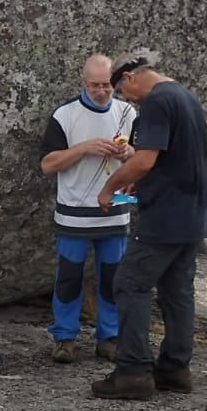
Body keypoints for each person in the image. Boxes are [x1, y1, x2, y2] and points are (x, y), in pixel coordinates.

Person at [91, 56, 207, 400]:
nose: (126, 99)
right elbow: (172, 158)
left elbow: (145, 160)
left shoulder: (157, 101)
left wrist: (110, 187)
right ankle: (175, 368)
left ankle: (133, 372)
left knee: (130, 283)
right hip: (194, 211)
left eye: (122, 91)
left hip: (166, 215)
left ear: (130, 77)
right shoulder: (184, 96)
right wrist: (142, 182)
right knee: (177, 290)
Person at [39, 54, 137, 363]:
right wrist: (84, 148)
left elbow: (142, 158)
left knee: (113, 278)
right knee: (69, 277)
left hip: (116, 211)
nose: (101, 91)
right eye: (94, 85)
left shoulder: (128, 112)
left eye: (107, 85)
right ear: (83, 82)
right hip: (74, 213)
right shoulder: (65, 115)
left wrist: (128, 152)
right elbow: (47, 164)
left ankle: (109, 337)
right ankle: (65, 337)